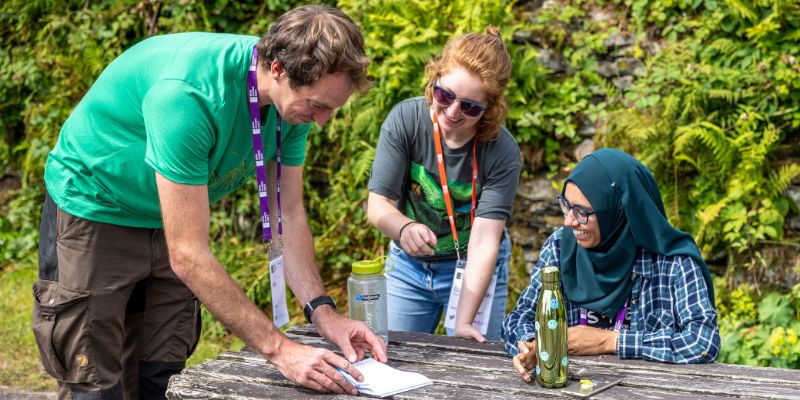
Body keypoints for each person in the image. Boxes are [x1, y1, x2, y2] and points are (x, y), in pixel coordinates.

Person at [34, 5, 387, 399]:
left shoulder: (293, 108)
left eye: (331, 110)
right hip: (97, 207)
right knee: (95, 379)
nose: (321, 121)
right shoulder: (187, 95)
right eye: (318, 106)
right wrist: (282, 350)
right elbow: (187, 253)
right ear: (278, 70)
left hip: (168, 214)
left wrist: (325, 314)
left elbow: (287, 213)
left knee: (162, 371)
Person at [502, 148, 720, 382]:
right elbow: (519, 317)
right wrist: (533, 345)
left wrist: (609, 341)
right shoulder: (560, 247)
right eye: (566, 205)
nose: (569, 221)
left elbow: (703, 341)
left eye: (582, 212)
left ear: (619, 210)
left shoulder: (673, 262)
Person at [367, 27, 521, 342]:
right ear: (434, 80)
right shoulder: (406, 120)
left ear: (489, 109)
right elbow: (377, 204)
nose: (452, 112)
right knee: (394, 353)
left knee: (476, 361)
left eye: (470, 107)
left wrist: (464, 323)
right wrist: (404, 228)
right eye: (445, 95)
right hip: (408, 267)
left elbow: (484, 242)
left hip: (472, 265)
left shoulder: (503, 151)